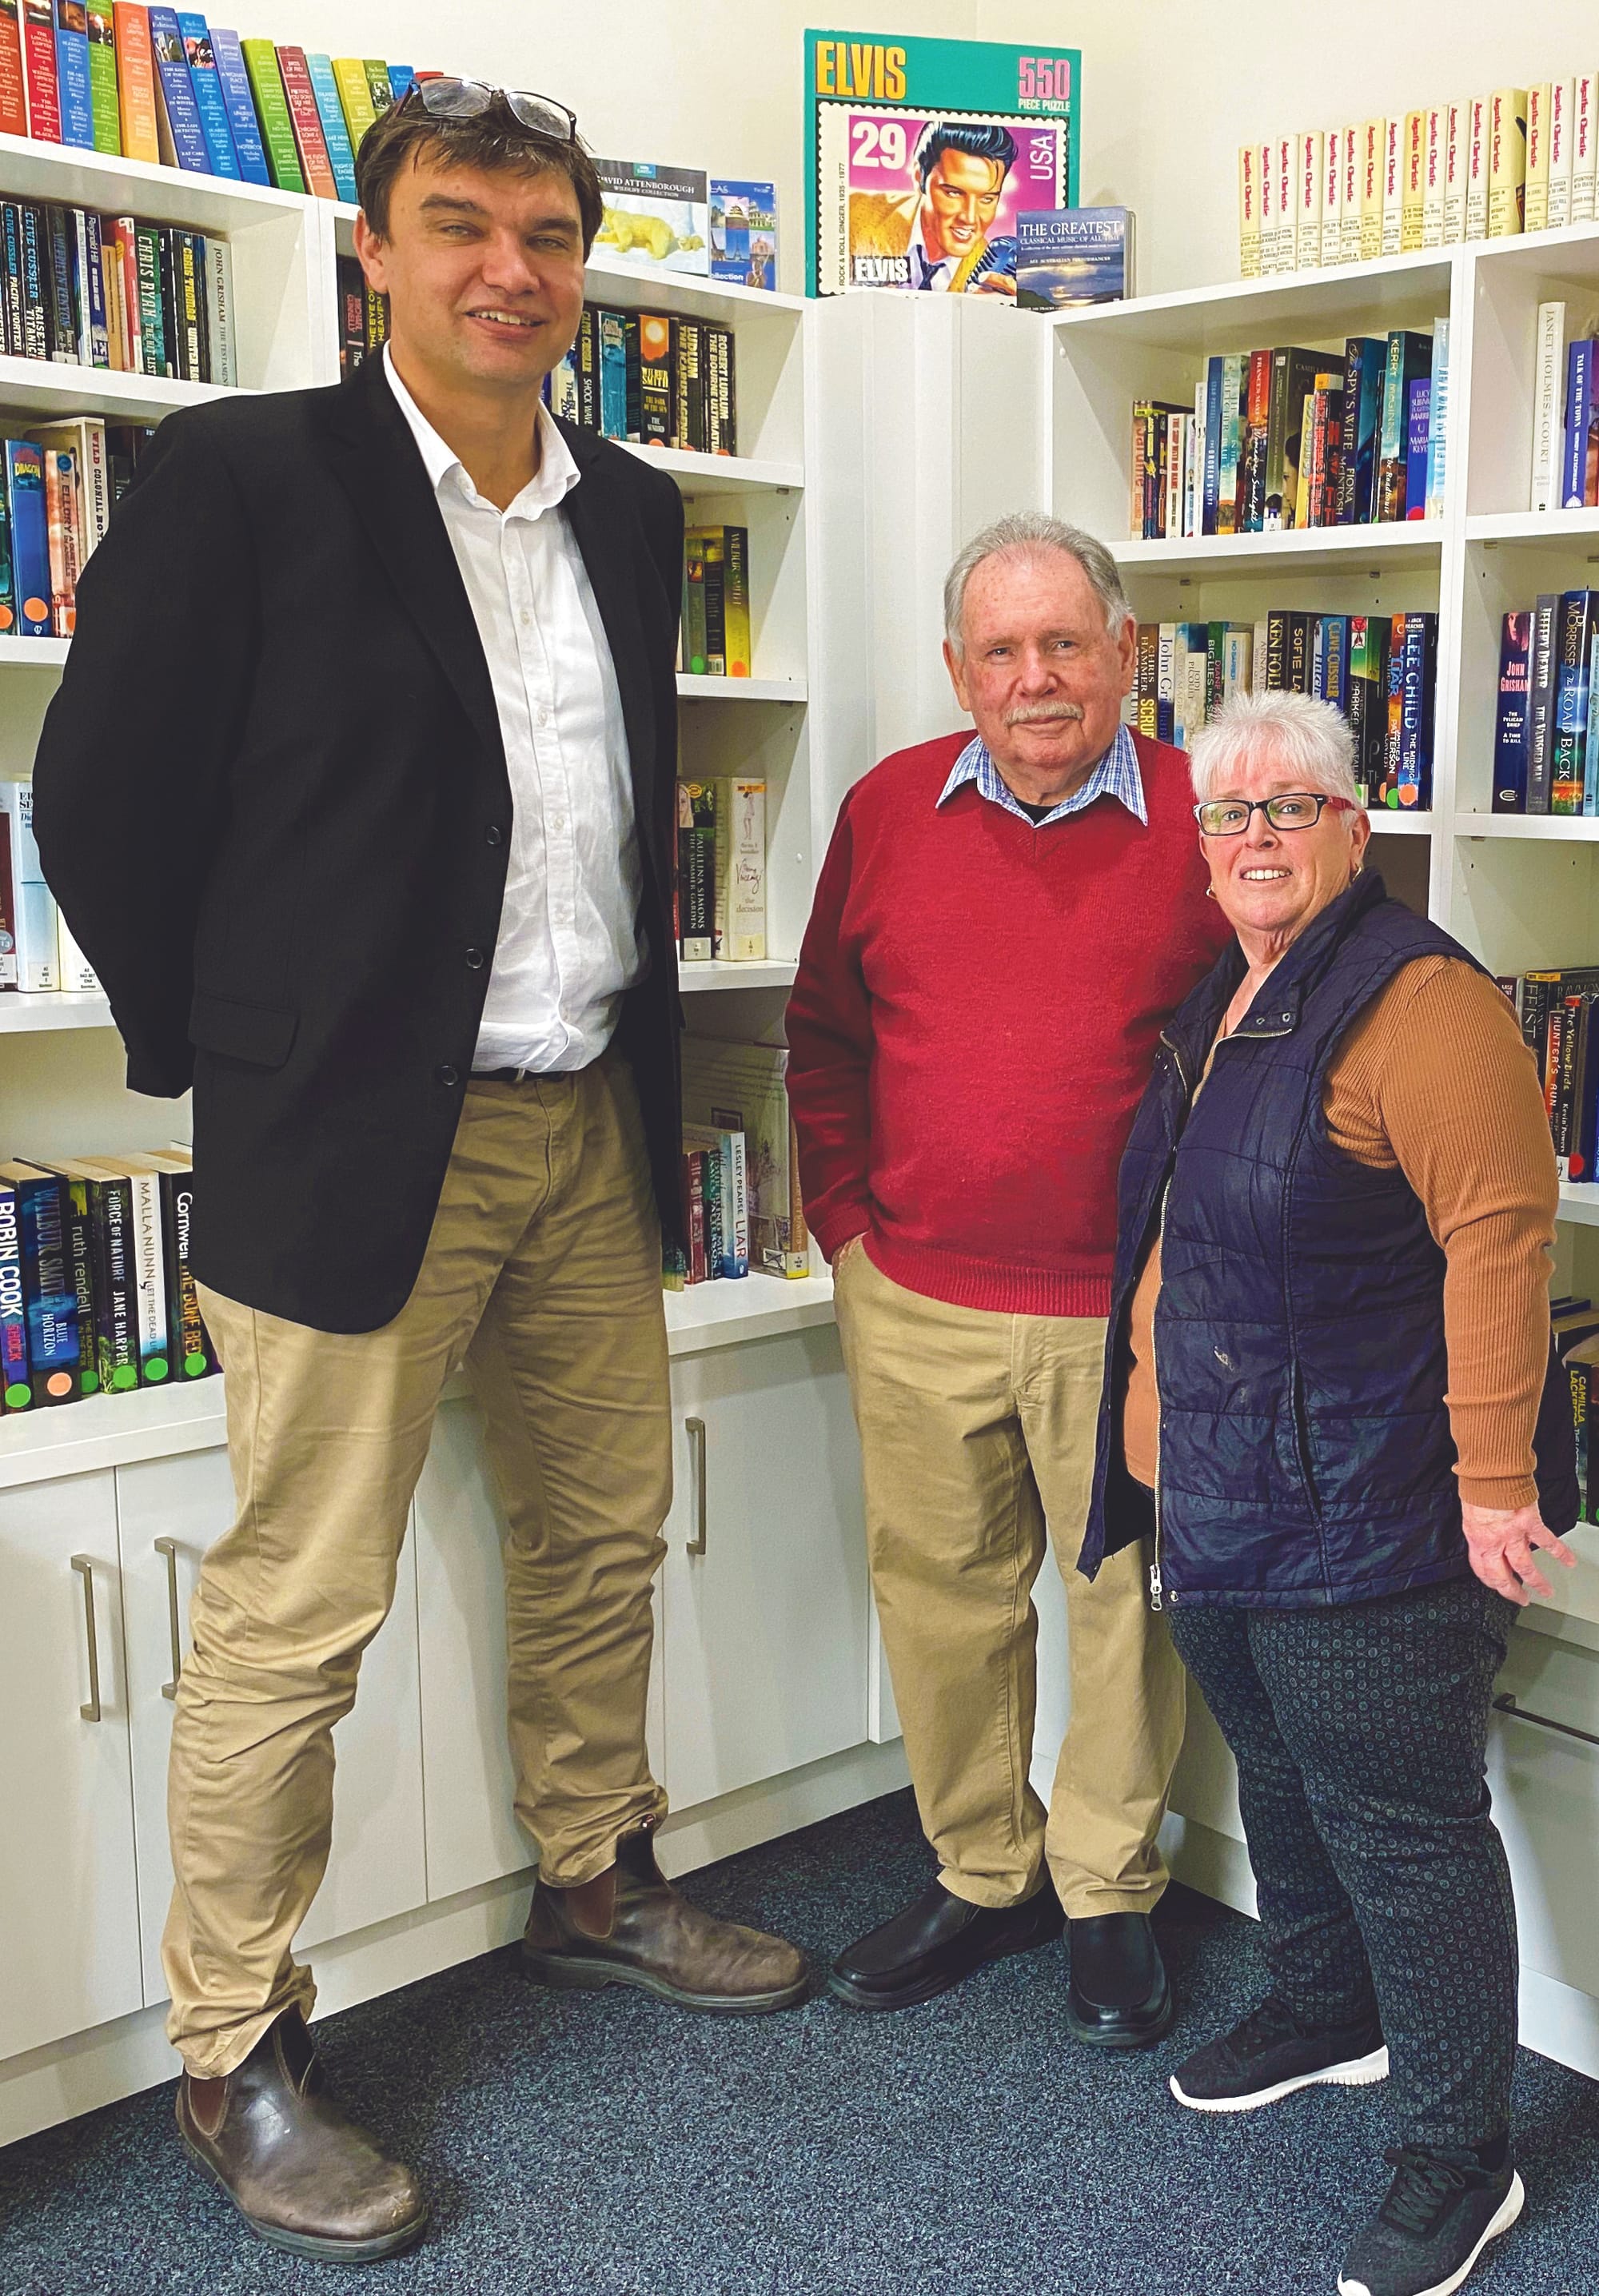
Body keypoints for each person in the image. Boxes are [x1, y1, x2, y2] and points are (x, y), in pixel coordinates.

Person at [31, 80, 806, 2266]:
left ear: (582, 268)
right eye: (458, 224)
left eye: (548, 234)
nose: (508, 270)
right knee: (296, 1614)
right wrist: (228, 1053)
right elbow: (100, 797)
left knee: (595, 1539)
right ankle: (232, 2046)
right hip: (353, 1133)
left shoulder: (633, 509)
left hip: (585, 1114)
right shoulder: (248, 476)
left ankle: (594, 1877)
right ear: (371, 252)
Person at [1079, 690, 1578, 2296]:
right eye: (1228, 815)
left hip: (1364, 1508)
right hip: (1217, 1490)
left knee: (1403, 1826)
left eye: (1289, 806)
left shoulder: (1419, 1003)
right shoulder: (1236, 985)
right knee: (1280, 1770)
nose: (1255, 839)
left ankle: (1459, 2152)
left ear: (1354, 825)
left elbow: (1499, 1232)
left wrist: (1494, 1478)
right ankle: (1326, 2001)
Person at [787, 514, 1231, 2037]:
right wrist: (848, 1225)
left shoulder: (1208, 815)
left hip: (1125, 1310)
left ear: (1125, 651)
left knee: (1122, 1604)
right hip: (915, 1293)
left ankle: (1110, 1889)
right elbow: (825, 1039)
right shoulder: (890, 807)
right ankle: (986, 1871)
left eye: (1065, 644)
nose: (1035, 678)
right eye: (1002, 650)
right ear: (959, 669)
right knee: (943, 1596)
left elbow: (1276, 1042)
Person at [847, 118, 1019, 293]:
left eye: (987, 199)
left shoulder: (992, 276)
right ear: (918, 177)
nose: (969, 217)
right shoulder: (851, 213)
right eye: (953, 193)